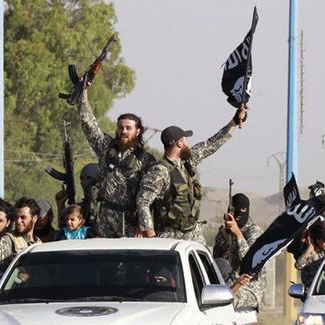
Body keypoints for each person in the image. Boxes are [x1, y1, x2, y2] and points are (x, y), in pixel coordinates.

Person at [136, 108, 246, 244]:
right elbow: (143, 202)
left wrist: (234, 122)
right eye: (185, 140)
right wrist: (151, 237)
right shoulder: (159, 171)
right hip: (170, 235)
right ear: (179, 143)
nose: (188, 144)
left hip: (193, 233)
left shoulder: (187, 163)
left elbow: (211, 144)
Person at [76, 87, 157, 237]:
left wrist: (143, 224)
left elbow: (150, 197)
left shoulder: (146, 160)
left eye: (128, 128)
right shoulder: (106, 147)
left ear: (137, 131)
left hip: (130, 221)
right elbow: (88, 124)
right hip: (104, 219)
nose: (124, 131)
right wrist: (83, 93)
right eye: (121, 127)